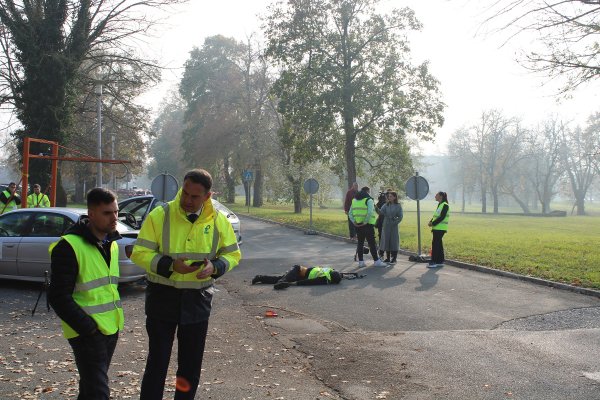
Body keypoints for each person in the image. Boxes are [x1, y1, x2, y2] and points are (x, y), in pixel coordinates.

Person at [131, 168, 242, 400]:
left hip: (197, 302)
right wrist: (171, 266)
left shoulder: (219, 221)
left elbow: (233, 255)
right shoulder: (160, 216)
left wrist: (216, 267)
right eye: (185, 193)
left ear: (208, 196)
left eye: (195, 196)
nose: (187, 200)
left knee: (190, 368)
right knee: (157, 364)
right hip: (162, 299)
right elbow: (140, 253)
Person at [47, 188, 124, 400]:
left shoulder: (111, 243)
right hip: (87, 333)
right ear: (91, 214)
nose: (114, 218)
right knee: (99, 392)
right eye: (107, 213)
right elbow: (58, 297)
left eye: (116, 212)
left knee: (91, 389)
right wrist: (88, 329)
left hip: (110, 328)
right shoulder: (69, 246)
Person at [349, 186, 387, 268]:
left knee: (360, 243)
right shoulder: (369, 200)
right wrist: (365, 222)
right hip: (367, 225)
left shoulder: (354, 200)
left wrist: (354, 222)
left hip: (358, 225)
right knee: (372, 243)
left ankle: (361, 262)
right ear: (367, 192)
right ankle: (376, 261)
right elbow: (370, 212)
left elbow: (350, 213)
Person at [252, 264, 342, 290]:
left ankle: (260, 278)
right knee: (282, 279)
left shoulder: (329, 271)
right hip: (298, 270)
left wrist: (292, 283)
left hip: (299, 275)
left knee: (280, 279)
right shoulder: (326, 277)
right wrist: (291, 284)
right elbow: (310, 282)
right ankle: (278, 284)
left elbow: (309, 282)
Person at [379, 191, 403, 264]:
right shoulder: (386, 205)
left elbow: (400, 216)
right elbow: (381, 212)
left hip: (393, 226)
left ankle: (394, 258)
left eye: (391, 196)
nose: (389, 197)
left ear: (395, 197)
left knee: (394, 241)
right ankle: (388, 258)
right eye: (388, 196)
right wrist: (375, 208)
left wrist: (394, 222)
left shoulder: (398, 206)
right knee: (386, 241)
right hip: (386, 225)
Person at [427, 191, 450, 268]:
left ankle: (434, 262)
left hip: (440, 229)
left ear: (440, 196)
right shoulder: (440, 204)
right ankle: (440, 261)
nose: (435, 196)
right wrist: (431, 221)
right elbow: (436, 216)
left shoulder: (445, 205)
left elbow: (442, 217)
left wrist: (433, 223)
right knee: (438, 244)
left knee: (435, 244)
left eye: (436, 195)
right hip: (437, 228)